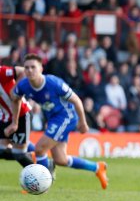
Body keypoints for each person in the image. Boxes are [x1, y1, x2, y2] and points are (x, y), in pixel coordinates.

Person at [5, 54, 109, 189]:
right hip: (53, 118)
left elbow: (76, 100)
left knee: (40, 149)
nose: (29, 70)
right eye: (26, 68)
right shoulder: (24, 85)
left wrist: (83, 123)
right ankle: (97, 167)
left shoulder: (53, 83)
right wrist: (14, 122)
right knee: (61, 160)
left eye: (33, 67)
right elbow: (15, 97)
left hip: (66, 117)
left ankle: (41, 183)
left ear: (41, 68)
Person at [0, 64, 37, 167]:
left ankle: (41, 173)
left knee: (19, 154)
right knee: (2, 151)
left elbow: (23, 71)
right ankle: (35, 155)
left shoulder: (2, 72)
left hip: (22, 114)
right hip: (5, 116)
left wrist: (16, 90)